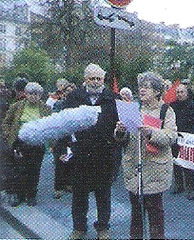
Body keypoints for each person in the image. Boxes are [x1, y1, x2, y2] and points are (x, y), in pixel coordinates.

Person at [115, 72, 177, 239]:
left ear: (157, 91)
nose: (141, 90)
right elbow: (124, 138)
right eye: (141, 87)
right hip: (134, 167)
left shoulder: (166, 111)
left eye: (146, 87)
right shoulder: (134, 108)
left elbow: (171, 137)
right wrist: (120, 132)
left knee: (155, 213)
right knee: (136, 213)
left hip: (155, 169)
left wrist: (151, 132)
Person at [63, 63, 119, 240]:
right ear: (84, 80)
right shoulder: (73, 98)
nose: (95, 82)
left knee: (103, 196)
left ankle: (103, 228)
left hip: (104, 155)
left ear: (103, 79)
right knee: (79, 195)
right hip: (80, 154)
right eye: (92, 78)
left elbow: (120, 129)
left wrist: (120, 133)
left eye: (99, 78)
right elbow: (64, 125)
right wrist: (63, 149)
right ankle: (79, 228)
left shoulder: (113, 99)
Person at [2, 82, 51, 207]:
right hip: (20, 143)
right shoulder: (17, 106)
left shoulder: (45, 108)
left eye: (36, 94)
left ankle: (31, 195)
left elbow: (50, 126)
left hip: (37, 144)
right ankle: (19, 195)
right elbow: (6, 122)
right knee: (20, 169)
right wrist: (9, 135)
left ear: (40, 95)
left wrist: (51, 142)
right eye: (30, 93)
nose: (33, 96)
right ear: (26, 94)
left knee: (34, 170)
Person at [170, 83, 194, 200]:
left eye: (182, 92)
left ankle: (190, 188)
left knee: (188, 165)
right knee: (175, 162)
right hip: (175, 137)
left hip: (187, 139)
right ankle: (178, 184)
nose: (179, 94)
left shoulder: (193, 106)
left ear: (187, 94)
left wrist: (191, 135)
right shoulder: (172, 106)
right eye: (178, 92)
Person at [51, 83, 76, 199]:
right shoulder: (59, 104)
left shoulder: (78, 105)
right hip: (61, 137)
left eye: (72, 91)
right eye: (67, 91)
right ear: (63, 93)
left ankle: (68, 183)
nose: (69, 93)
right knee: (60, 162)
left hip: (73, 137)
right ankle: (58, 188)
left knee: (70, 161)